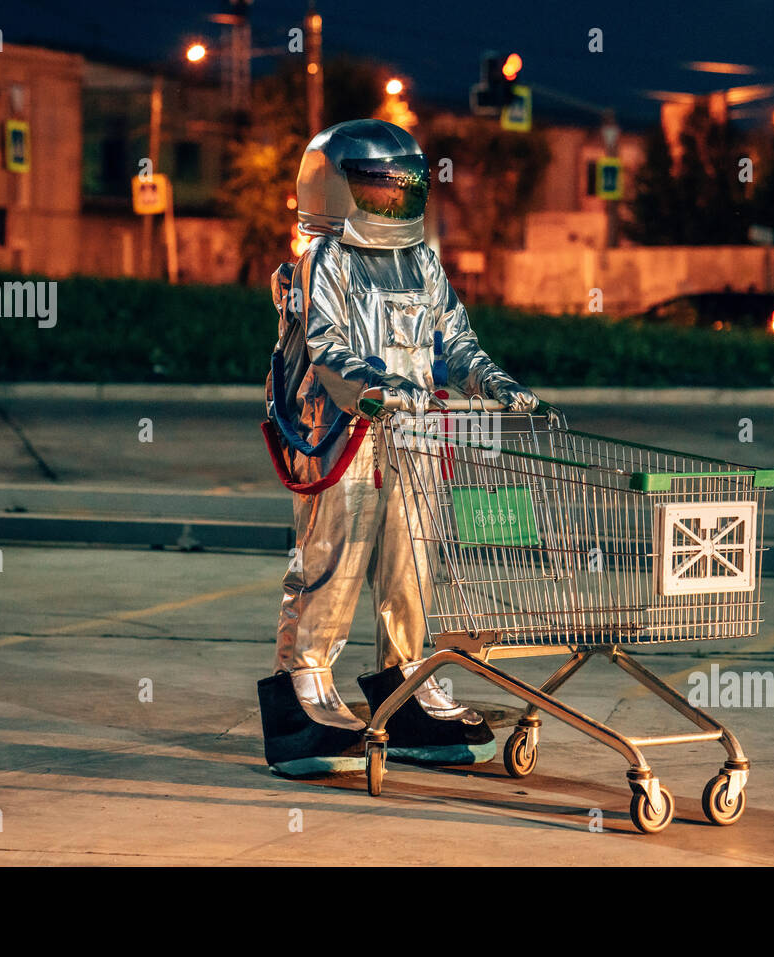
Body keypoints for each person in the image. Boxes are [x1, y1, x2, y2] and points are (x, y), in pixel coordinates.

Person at [257, 119, 538, 777]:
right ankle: (306, 684)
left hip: (411, 433)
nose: (394, 203)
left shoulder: (420, 263)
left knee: (412, 561)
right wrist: (371, 390)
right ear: (336, 190)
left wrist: (490, 380)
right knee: (332, 559)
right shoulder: (323, 263)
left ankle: (405, 679)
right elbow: (327, 348)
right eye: (379, 191)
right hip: (340, 433)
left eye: (403, 190)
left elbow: (456, 341)